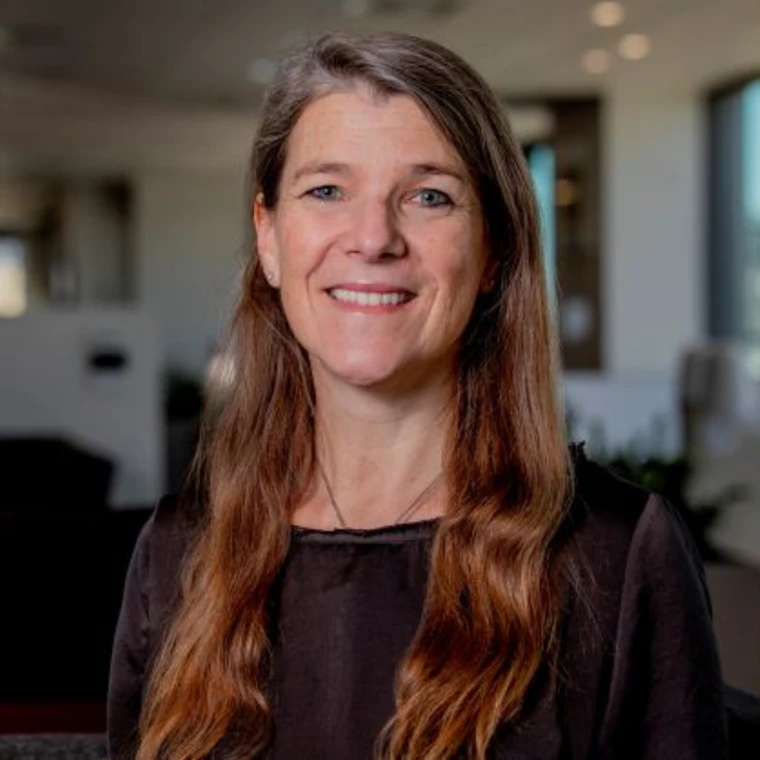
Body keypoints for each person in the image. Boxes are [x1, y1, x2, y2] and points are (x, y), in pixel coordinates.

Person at [107, 32, 729, 760]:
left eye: (429, 196)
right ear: (269, 236)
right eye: (327, 191)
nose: (373, 237)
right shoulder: (179, 551)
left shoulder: (614, 555)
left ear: (493, 249)